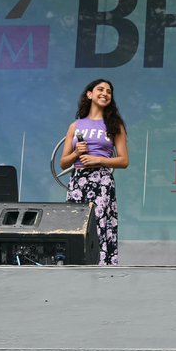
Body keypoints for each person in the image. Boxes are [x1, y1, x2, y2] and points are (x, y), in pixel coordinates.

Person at [60, 79, 129, 265]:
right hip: (78, 181)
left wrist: (98, 160)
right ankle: (75, 265)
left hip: (102, 181)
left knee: (99, 225)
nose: (105, 93)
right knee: (76, 224)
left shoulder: (115, 125)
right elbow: (63, 162)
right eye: (100, 89)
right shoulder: (75, 126)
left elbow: (124, 160)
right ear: (89, 94)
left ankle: (101, 267)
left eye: (109, 91)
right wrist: (76, 153)